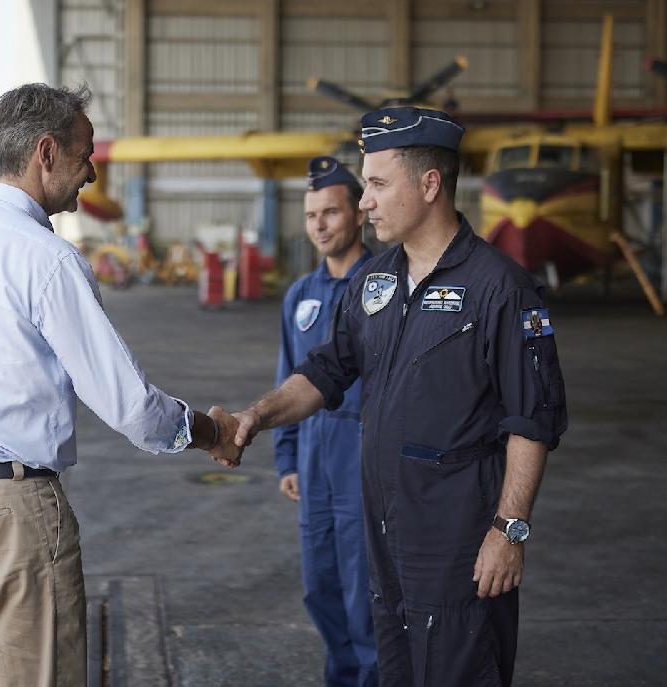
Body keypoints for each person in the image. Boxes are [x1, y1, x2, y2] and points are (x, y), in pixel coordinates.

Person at [0, 83, 237, 687]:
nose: (91, 170)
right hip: (10, 514)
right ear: (46, 153)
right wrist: (215, 430)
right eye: (85, 154)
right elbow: (131, 408)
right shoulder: (48, 260)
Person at [226, 107, 569, 686]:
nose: (364, 202)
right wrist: (255, 417)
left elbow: (530, 422)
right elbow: (325, 372)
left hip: (460, 543)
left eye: (378, 184)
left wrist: (509, 531)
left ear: (429, 184)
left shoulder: (500, 288)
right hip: (385, 539)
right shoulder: (372, 281)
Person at [276, 156, 377, 686]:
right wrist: (287, 456)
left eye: (330, 213)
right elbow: (288, 376)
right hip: (315, 464)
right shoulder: (300, 296)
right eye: (312, 214)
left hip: (364, 461)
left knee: (367, 592)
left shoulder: (387, 287)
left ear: (358, 215)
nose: (318, 224)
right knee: (322, 587)